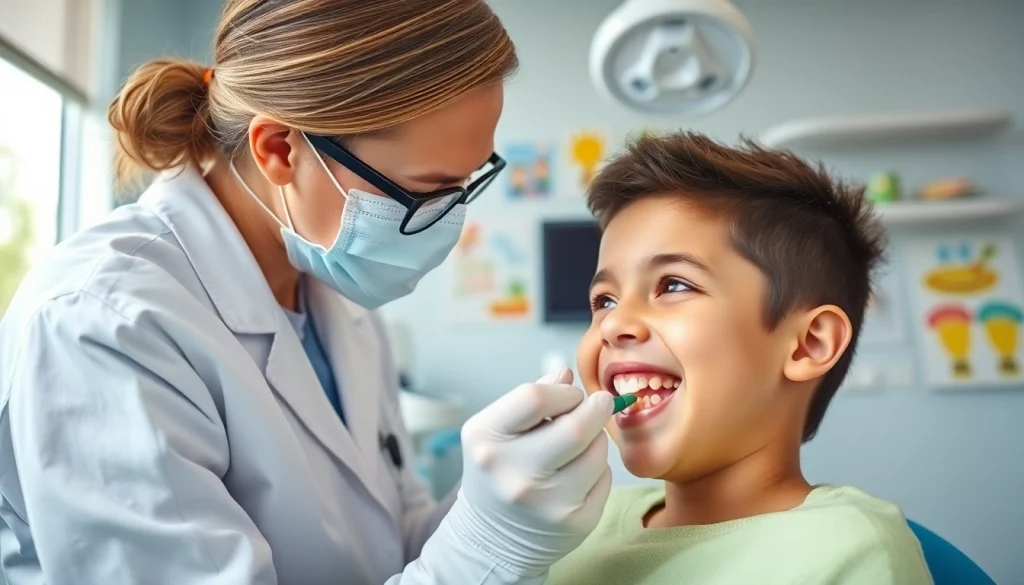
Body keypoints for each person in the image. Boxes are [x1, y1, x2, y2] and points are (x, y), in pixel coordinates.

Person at [0, 1, 617, 584]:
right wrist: (490, 543)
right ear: (279, 149)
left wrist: (493, 498)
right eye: (426, 190)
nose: (448, 223)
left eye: (464, 185)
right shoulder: (102, 321)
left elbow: (391, 545)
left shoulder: (338, 303)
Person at [544, 132, 934, 585]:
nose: (612, 325)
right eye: (604, 301)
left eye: (673, 285)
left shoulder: (846, 549)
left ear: (810, 344)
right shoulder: (572, 525)